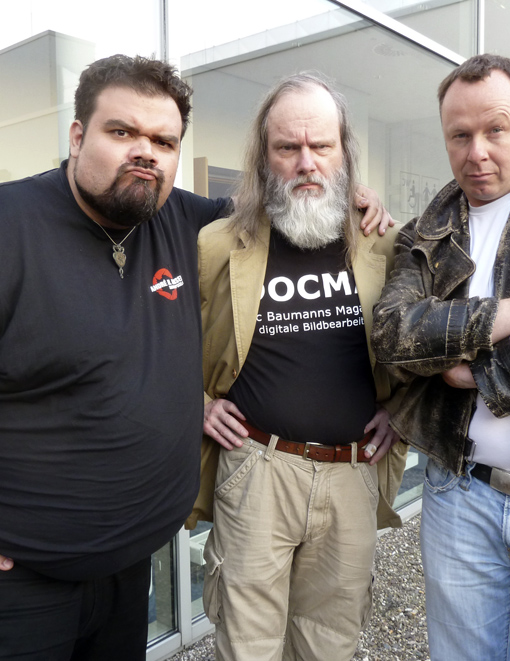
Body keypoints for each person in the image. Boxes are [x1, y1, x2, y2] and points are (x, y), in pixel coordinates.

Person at [0, 55, 391, 661]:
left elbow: (290, 205)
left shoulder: (185, 220)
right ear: (77, 136)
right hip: (25, 574)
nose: (144, 153)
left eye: (163, 141)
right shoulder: (15, 225)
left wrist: (352, 192)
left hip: (133, 558)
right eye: (121, 131)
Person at [371, 53, 510, 661]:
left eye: (496, 129)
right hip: (459, 496)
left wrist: (478, 371)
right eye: (460, 135)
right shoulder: (424, 234)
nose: (478, 153)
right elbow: (392, 334)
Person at [185, 72, 408, 661]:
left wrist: (403, 411)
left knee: (329, 643)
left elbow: (423, 348)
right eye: (288, 147)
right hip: (256, 472)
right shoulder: (216, 245)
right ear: (264, 157)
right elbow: (161, 338)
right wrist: (195, 403)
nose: (306, 162)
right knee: (248, 645)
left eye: (321, 145)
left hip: (354, 473)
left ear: (344, 153)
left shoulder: (386, 244)